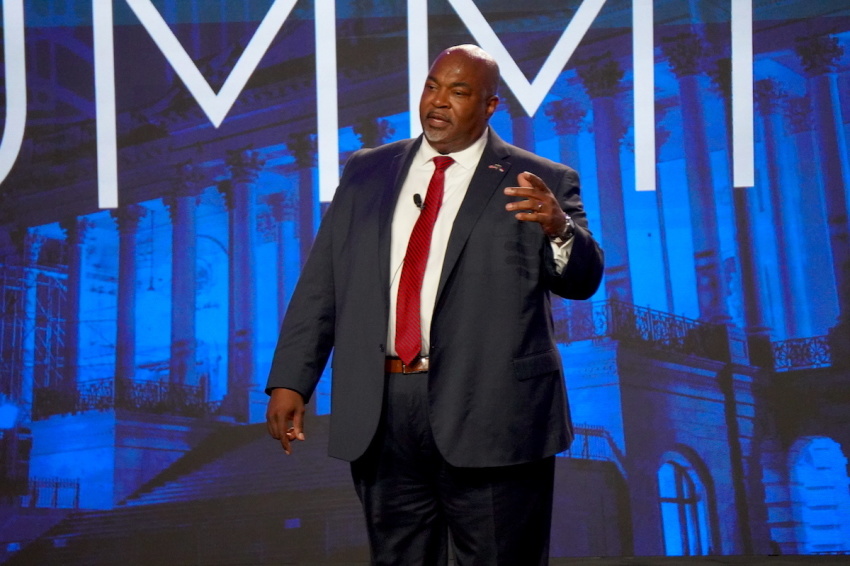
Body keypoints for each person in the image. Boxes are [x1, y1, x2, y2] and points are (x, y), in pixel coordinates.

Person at [265, 44, 604, 565]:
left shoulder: (542, 180)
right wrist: (292, 379)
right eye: (431, 86)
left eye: (459, 91)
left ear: (489, 106)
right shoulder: (366, 171)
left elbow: (581, 281)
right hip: (383, 415)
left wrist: (559, 228)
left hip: (493, 414)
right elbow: (323, 282)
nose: (438, 102)